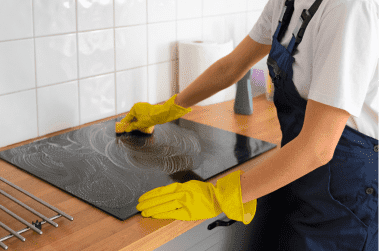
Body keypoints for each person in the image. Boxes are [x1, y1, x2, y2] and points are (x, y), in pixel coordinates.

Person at [119, 0, 379, 249]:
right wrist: (169, 107)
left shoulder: (349, 7)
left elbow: (318, 146)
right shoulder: (287, 2)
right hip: (305, 170)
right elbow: (232, 66)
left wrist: (220, 196)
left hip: (350, 189)